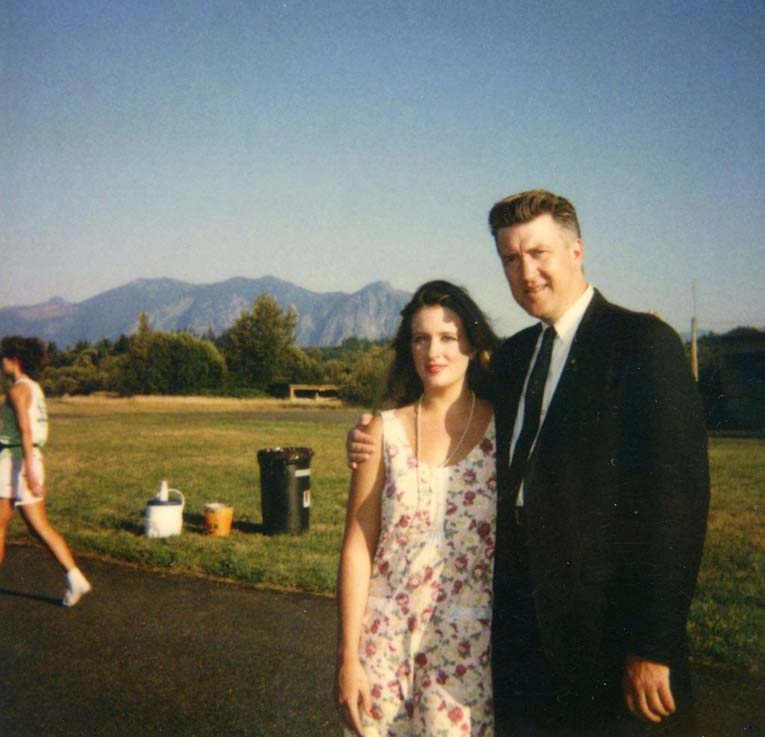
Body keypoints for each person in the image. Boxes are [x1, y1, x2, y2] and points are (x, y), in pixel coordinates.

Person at [349, 191, 709, 737]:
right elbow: (438, 402)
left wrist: (652, 642)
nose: (526, 272)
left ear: (577, 250)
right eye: (510, 259)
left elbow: (676, 505)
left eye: (539, 252)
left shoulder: (639, 344)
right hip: (517, 630)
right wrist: (367, 437)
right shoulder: (514, 358)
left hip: (604, 635)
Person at [335, 281, 499, 737]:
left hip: (468, 657)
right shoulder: (380, 431)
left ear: (473, 344)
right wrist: (349, 658)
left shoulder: (505, 430)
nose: (434, 351)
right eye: (421, 338)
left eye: (448, 337)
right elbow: (357, 547)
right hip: (382, 648)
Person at [0, 336, 92, 606]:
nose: (1, 363)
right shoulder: (34, 388)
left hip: (13, 462)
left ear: (14, 360)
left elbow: (25, 431)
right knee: (40, 527)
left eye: (3, 358)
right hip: (28, 459)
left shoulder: (17, 390)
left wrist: (27, 468)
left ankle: (75, 576)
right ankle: (75, 576)